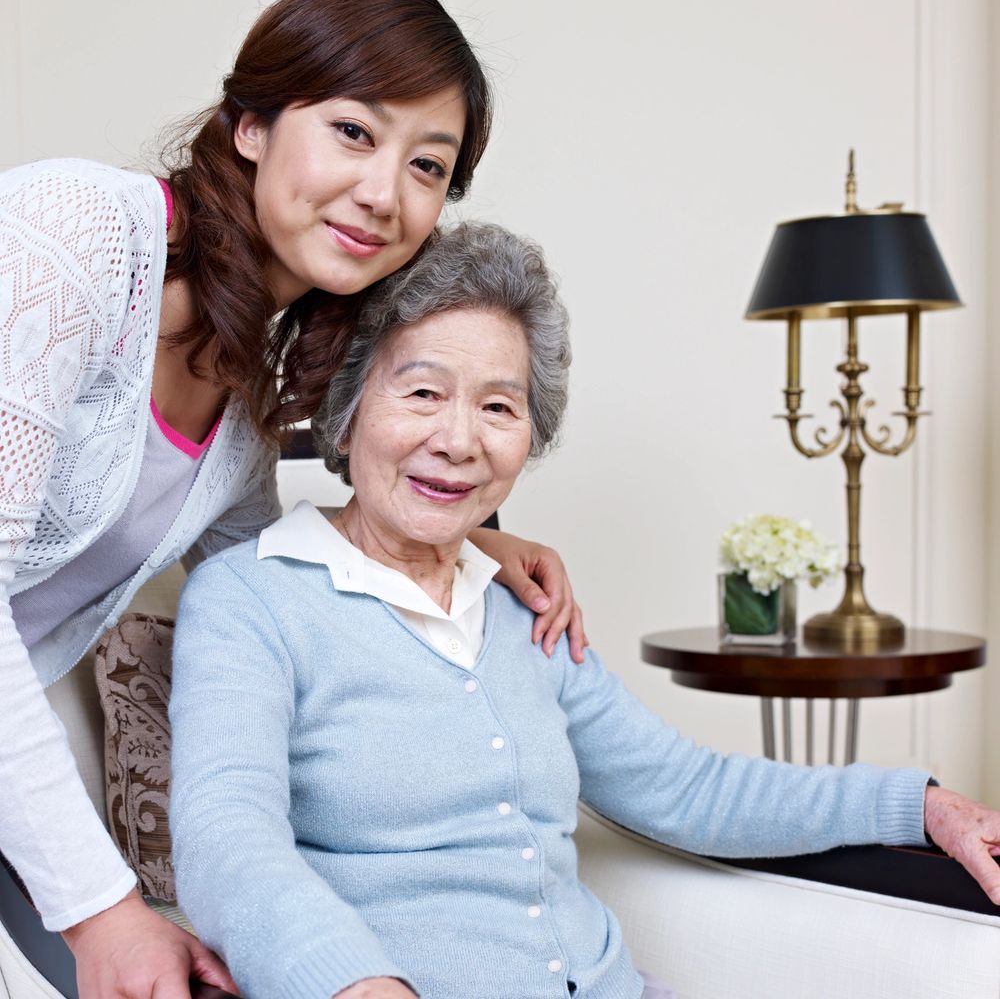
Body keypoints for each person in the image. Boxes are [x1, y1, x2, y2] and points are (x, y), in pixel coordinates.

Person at [168, 222, 1000, 999]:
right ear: (345, 415)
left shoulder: (521, 606)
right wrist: (354, 984)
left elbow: (685, 789)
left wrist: (922, 806)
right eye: (422, 392)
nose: (459, 440)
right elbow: (227, 839)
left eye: (499, 407)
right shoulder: (253, 598)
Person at [0, 3, 587, 997]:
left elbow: (283, 582)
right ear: (252, 125)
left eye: (427, 166)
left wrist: (459, 543)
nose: (383, 194)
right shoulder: (73, 234)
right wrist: (103, 911)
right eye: (353, 131)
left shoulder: (241, 412)